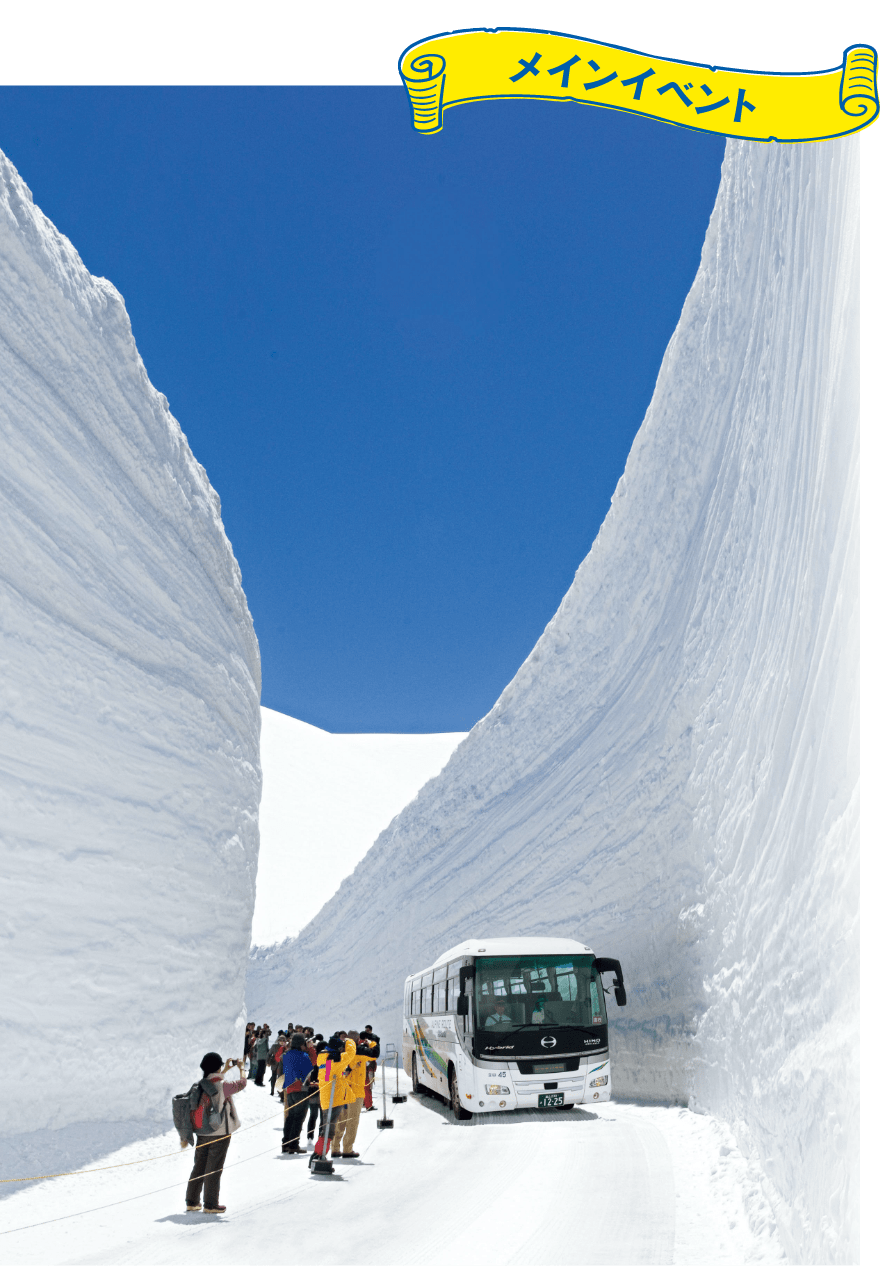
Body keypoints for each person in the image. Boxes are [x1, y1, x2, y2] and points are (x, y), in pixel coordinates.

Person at [185, 1053, 246, 1214]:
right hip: (219, 1133)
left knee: (199, 1166)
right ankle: (211, 1204)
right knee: (214, 1168)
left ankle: (192, 1201)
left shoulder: (201, 1084)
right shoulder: (223, 1086)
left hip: (202, 1132)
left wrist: (224, 1069)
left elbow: (215, 1081)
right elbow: (242, 1083)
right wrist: (241, 1069)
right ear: (217, 1067)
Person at [311, 1035, 355, 1161]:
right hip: (334, 1099)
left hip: (326, 1097)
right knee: (329, 1130)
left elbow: (328, 1076)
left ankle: (319, 1153)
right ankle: (319, 1155)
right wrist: (349, 1041)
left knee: (326, 1128)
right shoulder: (336, 1060)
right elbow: (351, 1053)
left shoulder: (324, 1058)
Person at [333, 1036, 376, 1157]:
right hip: (355, 1095)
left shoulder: (339, 1057)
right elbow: (374, 1054)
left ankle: (335, 1148)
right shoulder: (359, 1056)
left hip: (341, 1094)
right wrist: (371, 1043)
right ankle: (347, 1149)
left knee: (340, 1121)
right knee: (352, 1122)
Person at [281, 1035, 316, 1154]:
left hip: (289, 1090)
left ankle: (285, 1143)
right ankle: (293, 1145)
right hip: (300, 1089)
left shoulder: (287, 1055)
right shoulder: (303, 1055)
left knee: (290, 1117)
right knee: (298, 1118)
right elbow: (313, 1063)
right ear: (301, 1044)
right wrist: (311, 1049)